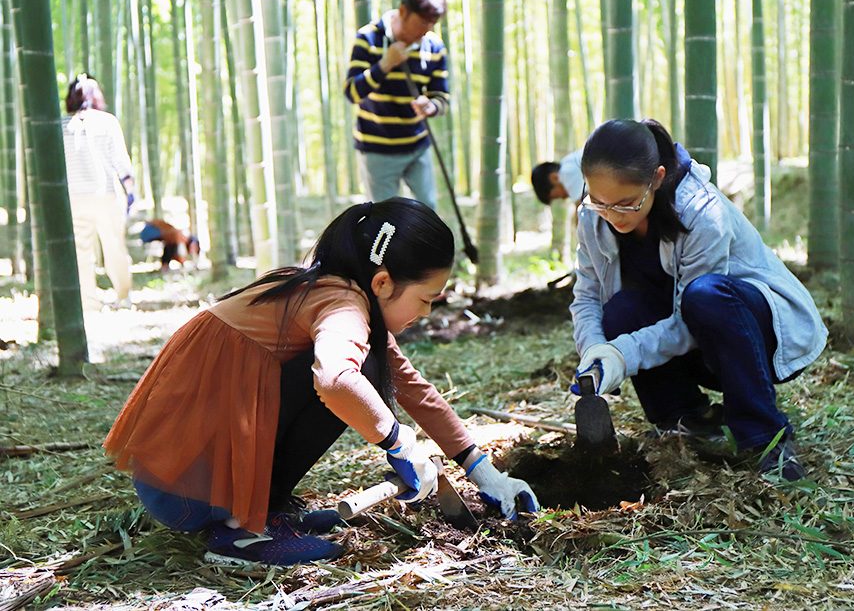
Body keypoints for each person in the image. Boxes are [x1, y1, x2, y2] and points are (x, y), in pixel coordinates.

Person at [104, 199, 539, 566]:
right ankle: (240, 531)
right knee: (357, 374)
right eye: (425, 299)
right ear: (382, 282)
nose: (425, 313)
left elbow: (412, 387)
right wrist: (397, 441)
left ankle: (261, 510)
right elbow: (334, 379)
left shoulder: (329, 290)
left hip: (180, 477)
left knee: (369, 368)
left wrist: (484, 472)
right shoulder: (342, 304)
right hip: (186, 485)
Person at [569, 119, 828, 481]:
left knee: (705, 296)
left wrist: (622, 354)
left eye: (626, 204)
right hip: (692, 342)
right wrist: (595, 351)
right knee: (621, 311)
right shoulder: (592, 215)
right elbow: (587, 295)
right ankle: (686, 419)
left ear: (657, 178)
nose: (612, 216)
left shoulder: (702, 212)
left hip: (757, 339)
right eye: (600, 203)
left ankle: (765, 437)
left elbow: (690, 318)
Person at [343, 0, 450, 209]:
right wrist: (385, 64)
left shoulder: (434, 46)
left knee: (427, 210)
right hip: (377, 149)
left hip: (417, 145)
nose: (424, 32)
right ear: (403, 11)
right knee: (384, 218)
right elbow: (352, 92)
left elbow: (441, 96)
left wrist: (430, 106)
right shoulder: (368, 39)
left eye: (430, 25)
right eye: (421, 24)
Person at [61, 73, 135, 310]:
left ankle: (88, 303)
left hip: (74, 197)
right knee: (114, 247)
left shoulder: (61, 125)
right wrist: (131, 191)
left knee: (81, 252)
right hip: (106, 195)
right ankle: (123, 297)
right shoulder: (107, 121)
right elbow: (121, 162)